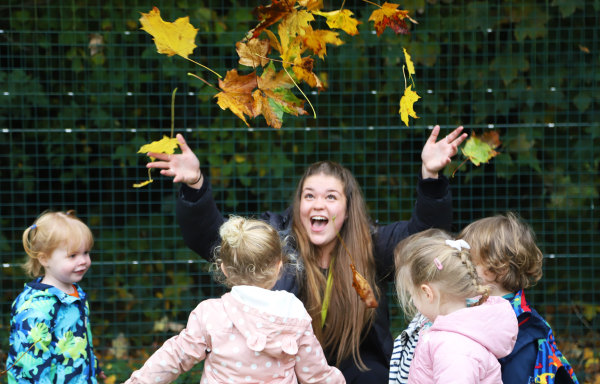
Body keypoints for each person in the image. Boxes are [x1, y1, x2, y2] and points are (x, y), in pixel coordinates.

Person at [146, 125, 467, 383]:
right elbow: (216, 238)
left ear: (346, 208)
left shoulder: (372, 243)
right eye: (309, 195)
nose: (318, 204)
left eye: (330, 197)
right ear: (298, 204)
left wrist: (431, 178)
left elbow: (424, 239)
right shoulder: (275, 238)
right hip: (281, 367)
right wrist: (195, 185)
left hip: (354, 368)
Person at [124, 216, 345, 384]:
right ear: (279, 266)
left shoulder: (211, 314)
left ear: (224, 269)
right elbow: (316, 375)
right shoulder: (294, 314)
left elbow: (176, 356)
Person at [458, 212, 579, 384]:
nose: (462, 269)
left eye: (469, 263)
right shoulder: (495, 313)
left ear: (499, 269)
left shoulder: (520, 329)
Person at [394, 228, 518, 383]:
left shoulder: (452, 347)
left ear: (427, 293)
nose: (412, 301)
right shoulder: (453, 337)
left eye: (412, 294)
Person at [5, 210, 102, 383]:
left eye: (86, 252)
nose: (83, 260)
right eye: (72, 255)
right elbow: (30, 365)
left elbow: (80, 340)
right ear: (44, 259)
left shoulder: (74, 293)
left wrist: (93, 367)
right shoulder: (36, 307)